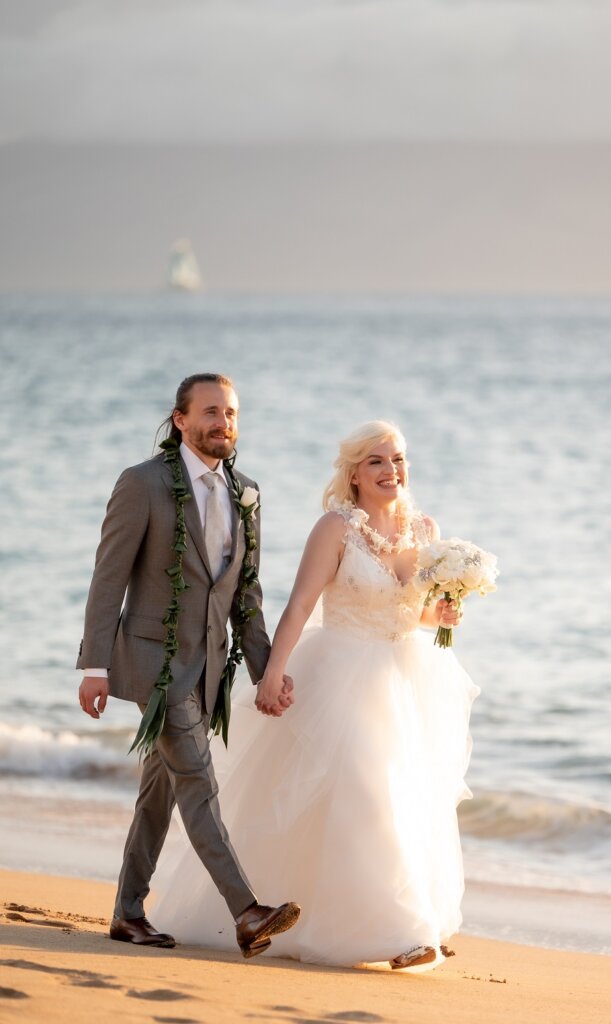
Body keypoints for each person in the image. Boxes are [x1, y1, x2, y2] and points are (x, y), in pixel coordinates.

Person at [150, 420, 480, 971]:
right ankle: (401, 934)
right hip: (342, 671)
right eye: (375, 461)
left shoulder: (424, 528)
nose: (390, 470)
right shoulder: (335, 529)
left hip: (404, 678)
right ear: (353, 472)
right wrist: (272, 674)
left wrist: (440, 614)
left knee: (403, 800)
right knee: (366, 791)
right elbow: (301, 606)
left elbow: (409, 609)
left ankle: (376, 920)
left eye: (397, 459)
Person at [77, 373, 301, 959]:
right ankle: (247, 911)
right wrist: (94, 664)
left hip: (206, 671)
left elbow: (246, 596)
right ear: (180, 420)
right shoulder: (143, 484)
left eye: (229, 413)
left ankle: (128, 914)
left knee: (160, 793)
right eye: (209, 412)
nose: (221, 422)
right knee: (198, 784)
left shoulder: (246, 493)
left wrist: (264, 673)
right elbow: (109, 578)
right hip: (154, 663)